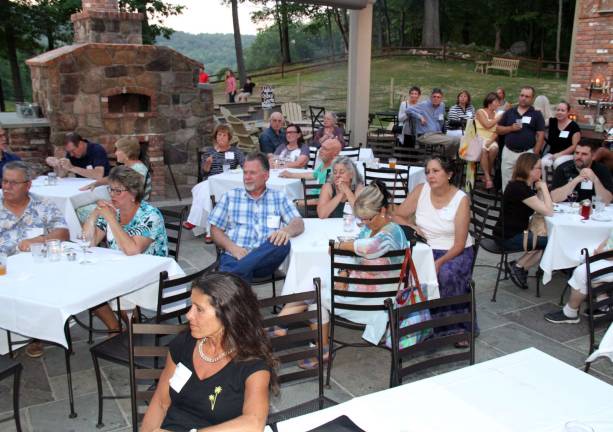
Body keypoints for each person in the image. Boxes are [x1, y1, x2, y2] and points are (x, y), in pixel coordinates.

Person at [275, 182, 408, 369]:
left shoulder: (393, 232)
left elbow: (366, 248)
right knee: (314, 278)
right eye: (362, 219)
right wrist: (345, 273)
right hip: (358, 289)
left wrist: (337, 246)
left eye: (368, 218)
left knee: (315, 293)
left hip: (377, 300)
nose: (365, 223)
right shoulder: (370, 229)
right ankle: (287, 330)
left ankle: (282, 326)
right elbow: (354, 255)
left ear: (383, 211)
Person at [141, 272, 276, 432]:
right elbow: (161, 402)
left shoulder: (252, 363)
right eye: (191, 306)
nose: (189, 315)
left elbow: (254, 423)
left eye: (199, 309)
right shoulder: (183, 344)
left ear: (228, 315)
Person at [393, 157, 474, 341]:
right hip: (425, 247)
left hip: (453, 251)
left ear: (449, 174)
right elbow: (397, 215)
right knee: (401, 269)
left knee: (445, 274)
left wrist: (439, 261)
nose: (430, 175)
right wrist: (412, 227)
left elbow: (460, 244)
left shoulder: (461, 199)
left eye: (436, 171)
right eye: (428, 171)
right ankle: (416, 326)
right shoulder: (421, 190)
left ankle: (455, 329)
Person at [83, 166, 168, 331]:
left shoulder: (149, 215)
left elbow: (132, 250)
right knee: (86, 283)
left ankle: (133, 327)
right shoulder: (113, 211)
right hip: (120, 268)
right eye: (110, 190)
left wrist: (111, 219)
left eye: (118, 191)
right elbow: (88, 243)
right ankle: (115, 328)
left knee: (105, 285)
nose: (112, 195)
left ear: (133, 193)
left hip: (150, 274)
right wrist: (94, 214)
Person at [0, 161, 69, 358]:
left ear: (28, 185)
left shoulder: (43, 205)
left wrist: (40, 239)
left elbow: (63, 232)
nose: (6, 187)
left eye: (13, 183)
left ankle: (37, 335)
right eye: (5, 181)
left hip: (36, 268)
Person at [208, 152, 304, 283]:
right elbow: (215, 229)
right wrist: (232, 248)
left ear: (266, 176)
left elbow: (298, 222)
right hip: (234, 255)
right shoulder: (230, 197)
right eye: (245, 172)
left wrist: (286, 231)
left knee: (282, 242)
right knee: (241, 274)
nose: (247, 177)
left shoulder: (279, 197)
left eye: (252, 173)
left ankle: (228, 278)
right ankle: (237, 280)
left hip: (265, 262)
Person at [494, 153, 553, 290]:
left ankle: (519, 267)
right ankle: (518, 266)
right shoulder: (520, 189)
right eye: (538, 168)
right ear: (528, 169)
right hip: (509, 237)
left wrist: (539, 190)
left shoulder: (520, 186)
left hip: (507, 232)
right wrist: (544, 188)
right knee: (551, 241)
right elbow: (549, 211)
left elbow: (540, 206)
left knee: (540, 245)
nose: (540, 171)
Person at [183, 125, 246, 231]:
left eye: (224, 135)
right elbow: (204, 173)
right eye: (219, 135)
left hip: (227, 183)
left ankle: (194, 222)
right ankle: (209, 232)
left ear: (229, 138)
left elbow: (245, 165)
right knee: (205, 191)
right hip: (211, 180)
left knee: (202, 190)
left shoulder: (236, 152)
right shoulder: (210, 152)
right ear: (216, 137)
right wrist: (207, 164)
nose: (221, 137)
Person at [544, 230, 613, 324]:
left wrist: (601, 254)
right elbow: (610, 238)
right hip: (608, 257)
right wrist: (600, 250)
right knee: (583, 257)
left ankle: (570, 313)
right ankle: (603, 305)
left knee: (581, 273)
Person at [496, 86, 546, 191]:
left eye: (527, 96)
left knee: (525, 184)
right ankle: (507, 205)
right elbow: (498, 129)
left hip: (526, 154)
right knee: (507, 182)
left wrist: (534, 154)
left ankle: (523, 206)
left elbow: (541, 135)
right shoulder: (510, 112)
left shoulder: (536, 114)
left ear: (532, 99)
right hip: (509, 152)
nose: (523, 98)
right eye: (522, 95)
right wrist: (510, 128)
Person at [79, 136, 152, 200]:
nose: (115, 153)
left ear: (127, 152)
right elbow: (112, 178)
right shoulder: (128, 167)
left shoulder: (138, 169)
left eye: (118, 150)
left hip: (137, 210)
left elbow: (131, 197)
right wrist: (95, 184)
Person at [405, 88, 461, 159]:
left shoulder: (442, 106)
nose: (436, 99)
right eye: (434, 97)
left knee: (457, 140)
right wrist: (420, 117)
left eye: (438, 97)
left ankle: (443, 157)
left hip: (438, 133)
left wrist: (443, 126)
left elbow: (441, 119)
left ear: (441, 99)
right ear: (431, 97)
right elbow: (408, 110)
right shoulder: (424, 105)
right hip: (425, 135)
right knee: (451, 141)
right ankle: (443, 158)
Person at [46, 132, 110, 180]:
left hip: (101, 186)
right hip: (82, 186)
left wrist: (72, 168)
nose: (71, 154)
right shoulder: (71, 153)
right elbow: (61, 175)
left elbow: (98, 175)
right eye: (69, 152)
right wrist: (57, 164)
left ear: (81, 144)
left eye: (73, 150)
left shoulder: (96, 149)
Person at [542, 102, 581, 170]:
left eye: (562, 110)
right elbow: (539, 125)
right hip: (552, 153)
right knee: (544, 162)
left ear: (568, 112)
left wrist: (560, 154)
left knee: (558, 162)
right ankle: (546, 180)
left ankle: (559, 180)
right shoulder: (551, 121)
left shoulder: (574, 126)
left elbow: (575, 146)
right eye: (558, 110)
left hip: (568, 155)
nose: (559, 112)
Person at [475, 92, 503, 190]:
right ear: (490, 102)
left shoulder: (497, 114)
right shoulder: (480, 112)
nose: (499, 104)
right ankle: (488, 178)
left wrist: (491, 140)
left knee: (494, 149)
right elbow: (487, 125)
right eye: (497, 101)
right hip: (479, 138)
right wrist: (499, 117)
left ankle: (486, 174)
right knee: (483, 150)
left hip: (490, 139)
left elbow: (497, 130)